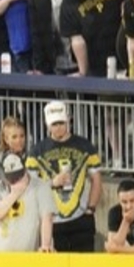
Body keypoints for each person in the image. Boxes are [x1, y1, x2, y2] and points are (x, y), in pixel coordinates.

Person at [33, 99, 103, 256]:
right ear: (47, 125)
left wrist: (91, 208)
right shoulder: (37, 151)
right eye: (54, 124)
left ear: (68, 120)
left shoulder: (85, 146)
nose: (58, 128)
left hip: (81, 218)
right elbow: (31, 186)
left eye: (61, 123)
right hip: (53, 220)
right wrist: (52, 182)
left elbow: (97, 179)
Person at [59, 0, 128, 78]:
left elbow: (130, 0)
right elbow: (77, 40)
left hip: (123, 53)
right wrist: (83, 72)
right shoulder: (68, 4)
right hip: (96, 62)